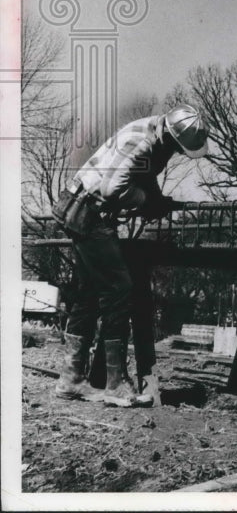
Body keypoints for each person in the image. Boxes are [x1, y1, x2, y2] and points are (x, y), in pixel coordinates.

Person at [52, 104, 209, 407]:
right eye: (178, 148)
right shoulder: (143, 141)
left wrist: (156, 198)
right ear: (172, 136)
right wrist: (148, 202)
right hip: (88, 211)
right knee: (119, 290)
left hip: (82, 208)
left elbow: (141, 175)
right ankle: (115, 385)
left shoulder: (154, 133)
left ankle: (71, 379)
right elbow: (113, 189)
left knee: (88, 293)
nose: (176, 153)